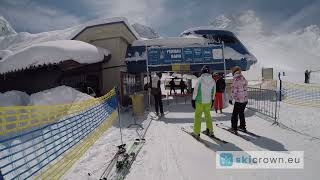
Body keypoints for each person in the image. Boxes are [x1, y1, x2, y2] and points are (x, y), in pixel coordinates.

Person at [191, 65, 216, 138]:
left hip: (199, 101)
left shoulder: (200, 80)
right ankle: (210, 131)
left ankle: (196, 132)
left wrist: (193, 100)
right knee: (208, 116)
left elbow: (195, 91)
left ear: (202, 71)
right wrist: (213, 100)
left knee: (198, 116)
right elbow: (214, 92)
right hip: (208, 102)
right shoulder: (213, 80)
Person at [229, 66, 248, 134]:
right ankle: (242, 126)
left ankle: (234, 128)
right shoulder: (243, 78)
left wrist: (231, 99)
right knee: (241, 113)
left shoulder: (236, 79)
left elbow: (234, 91)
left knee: (235, 114)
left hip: (239, 100)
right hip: (245, 100)